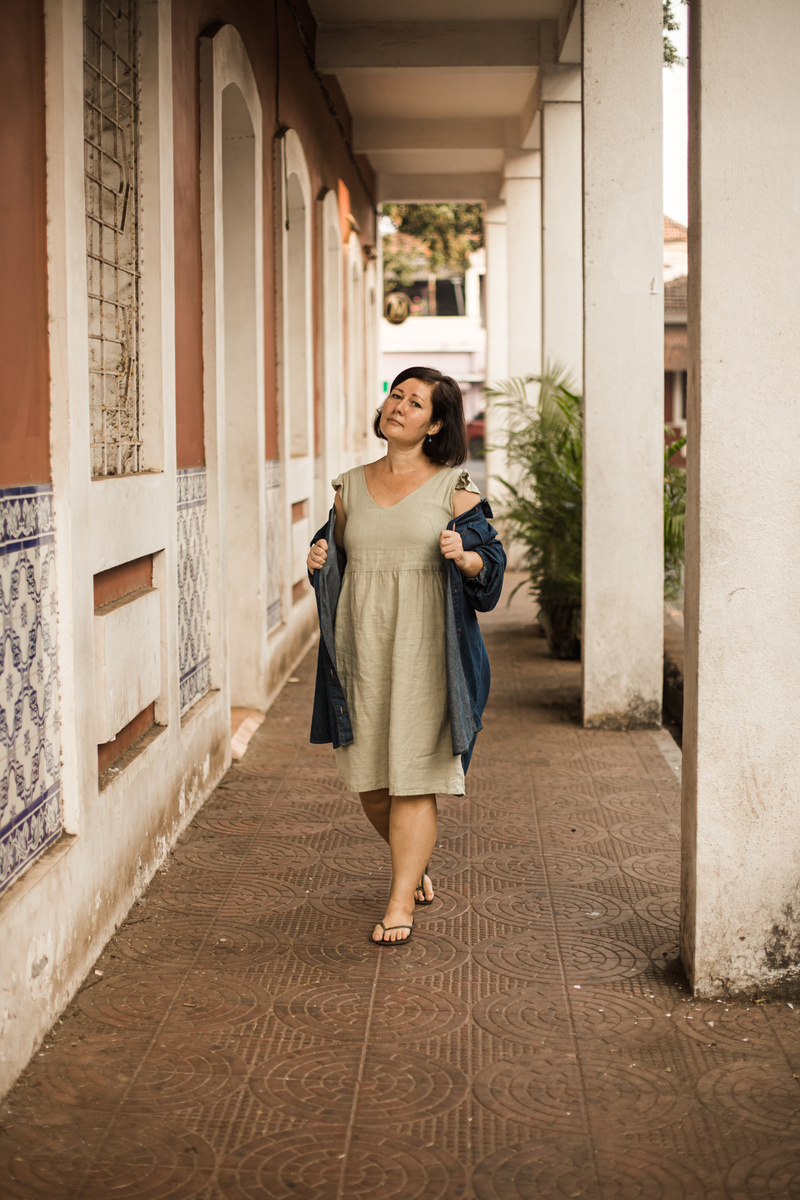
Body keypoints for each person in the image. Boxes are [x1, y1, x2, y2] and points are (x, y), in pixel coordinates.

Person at [306, 367, 506, 945]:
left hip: (428, 654)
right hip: (361, 652)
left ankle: (399, 901)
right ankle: (412, 866)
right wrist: (317, 561)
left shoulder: (455, 491)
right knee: (371, 786)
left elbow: (490, 575)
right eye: (397, 395)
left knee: (413, 780)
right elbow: (335, 560)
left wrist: (466, 557)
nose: (399, 406)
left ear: (435, 424)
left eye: (416, 402)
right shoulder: (349, 488)